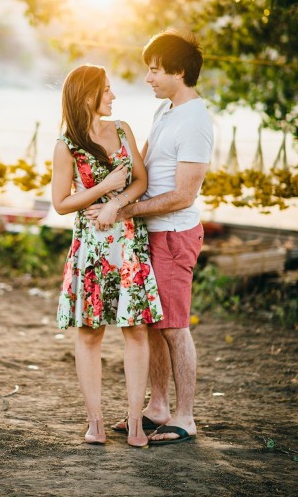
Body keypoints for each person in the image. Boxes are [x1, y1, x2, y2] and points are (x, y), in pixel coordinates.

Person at [87, 30, 214, 445]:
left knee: (175, 327)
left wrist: (127, 209)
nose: (148, 78)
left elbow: (184, 194)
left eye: (155, 70)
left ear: (179, 71)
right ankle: (158, 406)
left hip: (174, 235)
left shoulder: (195, 120)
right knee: (152, 323)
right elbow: (139, 167)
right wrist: (106, 192)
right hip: (150, 234)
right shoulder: (167, 112)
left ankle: (185, 416)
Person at [52, 64, 163, 447]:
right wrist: (103, 185)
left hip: (127, 243)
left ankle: (135, 423)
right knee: (90, 334)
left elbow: (141, 181)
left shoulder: (122, 130)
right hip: (92, 248)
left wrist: (116, 201)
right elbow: (61, 204)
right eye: (107, 90)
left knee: (135, 329)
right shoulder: (66, 145)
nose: (113, 96)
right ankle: (95, 422)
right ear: (87, 95)